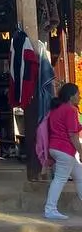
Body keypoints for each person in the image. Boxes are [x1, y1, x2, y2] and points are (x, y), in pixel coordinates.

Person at [44, 82, 82, 220]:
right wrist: (81, 152)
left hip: (55, 148)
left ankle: (50, 208)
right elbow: (72, 134)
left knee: (80, 176)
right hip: (65, 150)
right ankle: (50, 209)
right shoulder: (70, 110)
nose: (80, 97)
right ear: (71, 96)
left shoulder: (56, 108)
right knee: (60, 179)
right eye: (78, 94)